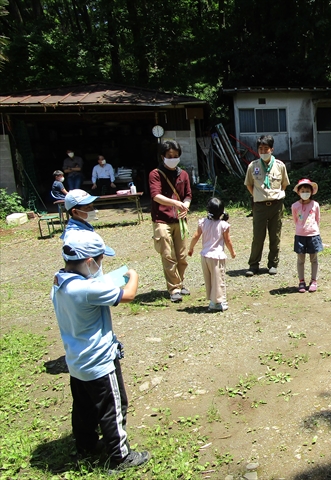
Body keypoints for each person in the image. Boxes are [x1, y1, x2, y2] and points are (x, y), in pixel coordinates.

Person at [50, 229, 150, 471]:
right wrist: (132, 274)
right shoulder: (87, 290)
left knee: (83, 408)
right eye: (100, 260)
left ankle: (85, 446)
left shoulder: (60, 281)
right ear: (89, 262)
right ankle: (120, 456)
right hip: (99, 362)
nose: (101, 264)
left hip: (77, 361)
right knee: (114, 407)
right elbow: (129, 295)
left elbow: (90, 287)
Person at [149, 140, 192, 303]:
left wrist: (185, 205)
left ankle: (179, 284)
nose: (173, 158)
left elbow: (188, 195)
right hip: (162, 220)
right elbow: (156, 196)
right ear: (162, 156)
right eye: (169, 156)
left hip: (180, 220)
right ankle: (174, 288)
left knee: (182, 256)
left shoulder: (184, 174)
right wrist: (175, 203)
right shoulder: (155, 174)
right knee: (167, 255)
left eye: (175, 156)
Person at [244, 135, 290, 276]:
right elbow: (249, 185)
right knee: (258, 236)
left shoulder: (280, 166)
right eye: (260, 149)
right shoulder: (253, 166)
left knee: (275, 236)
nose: (263, 151)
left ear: (272, 149)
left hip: (276, 205)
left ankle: (273, 264)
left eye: (266, 148)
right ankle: (253, 265)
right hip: (259, 207)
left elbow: (284, 185)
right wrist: (258, 196)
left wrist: (275, 196)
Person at [188, 198, 236, 312]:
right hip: (216, 257)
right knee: (218, 279)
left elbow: (195, 236)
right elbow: (228, 241)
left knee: (209, 279)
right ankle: (218, 302)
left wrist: (191, 248)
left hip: (204, 256)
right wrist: (232, 252)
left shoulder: (203, 222)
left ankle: (212, 300)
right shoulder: (223, 225)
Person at [291, 178, 323, 293]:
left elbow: (317, 219)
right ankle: (301, 281)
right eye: (303, 190)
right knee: (300, 260)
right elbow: (295, 220)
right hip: (300, 235)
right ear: (298, 192)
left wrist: (314, 230)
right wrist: (301, 229)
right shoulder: (295, 206)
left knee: (313, 259)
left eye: (307, 190)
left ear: (311, 191)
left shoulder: (315, 205)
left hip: (313, 235)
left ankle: (314, 281)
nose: (305, 193)